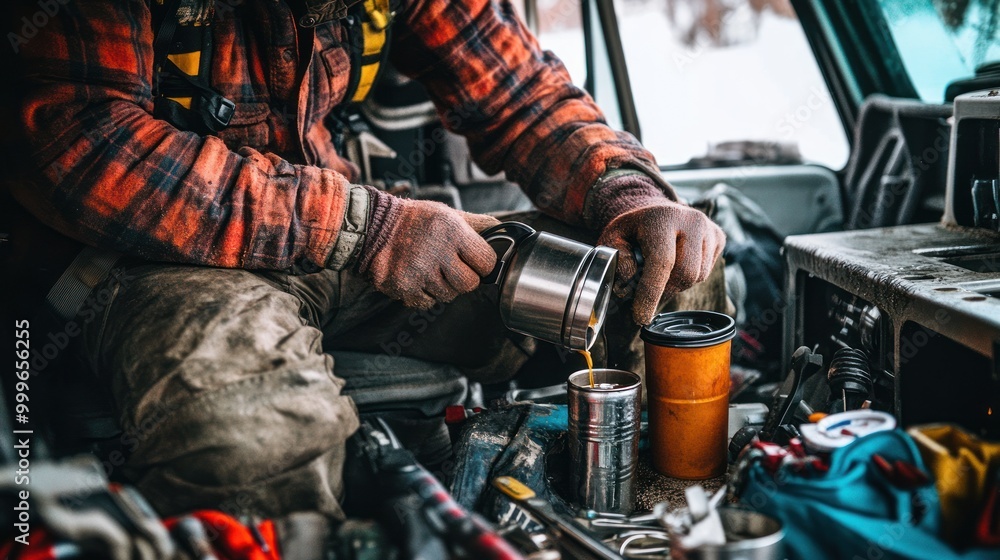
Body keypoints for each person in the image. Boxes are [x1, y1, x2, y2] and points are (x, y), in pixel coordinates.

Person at [1, 0, 726, 519]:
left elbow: (519, 92)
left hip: (337, 238)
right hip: (149, 261)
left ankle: (668, 519)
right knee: (263, 437)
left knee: (665, 279)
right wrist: (364, 227)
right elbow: (79, 138)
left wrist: (623, 190)